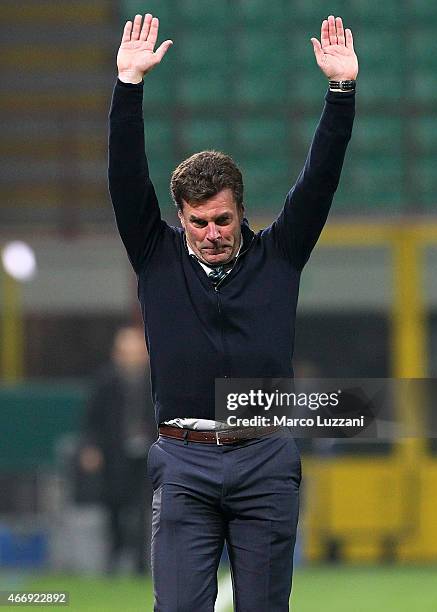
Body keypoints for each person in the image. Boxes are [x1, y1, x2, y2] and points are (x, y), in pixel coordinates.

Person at [109, 11, 357, 611]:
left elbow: (319, 182)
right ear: (180, 218)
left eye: (222, 219)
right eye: (198, 222)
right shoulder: (156, 255)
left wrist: (341, 92)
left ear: (240, 211)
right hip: (184, 461)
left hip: (265, 460)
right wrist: (129, 86)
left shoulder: (280, 254)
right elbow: (124, 180)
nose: (212, 232)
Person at [80, 325, 155, 574]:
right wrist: (91, 448)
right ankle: (113, 556)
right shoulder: (104, 382)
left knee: (145, 507)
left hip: (149, 453)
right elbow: (92, 419)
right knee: (114, 506)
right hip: (114, 454)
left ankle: (141, 562)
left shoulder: (156, 382)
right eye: (126, 351)